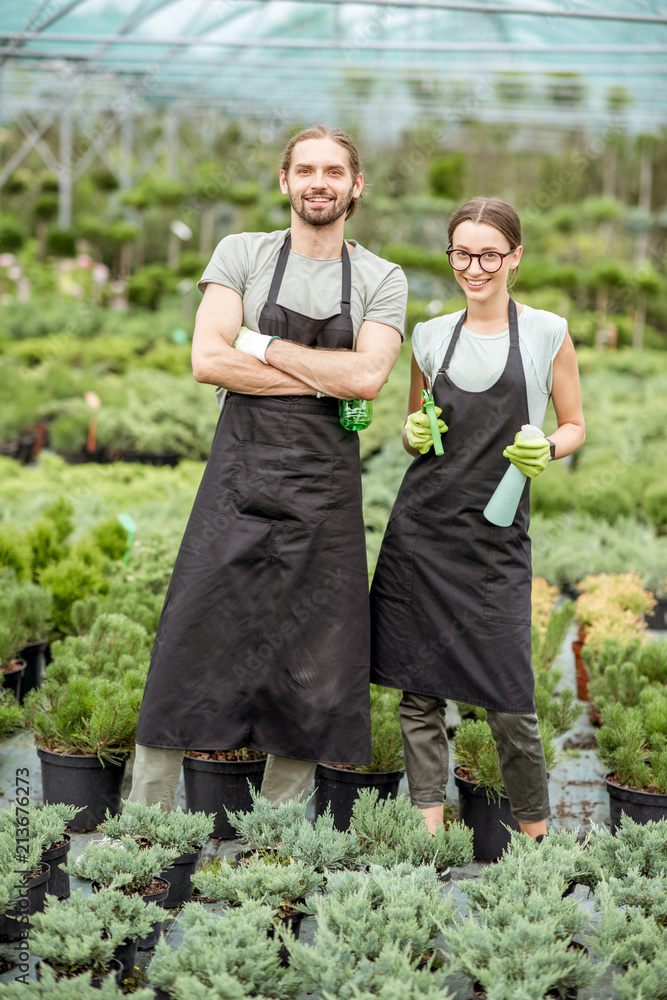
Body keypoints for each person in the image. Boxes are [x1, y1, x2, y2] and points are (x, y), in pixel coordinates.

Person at [129, 124, 408, 811]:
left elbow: (370, 378)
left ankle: (278, 832)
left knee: (315, 648)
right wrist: (325, 376)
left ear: (355, 186)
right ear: (284, 181)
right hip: (239, 478)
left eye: (333, 172)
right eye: (305, 170)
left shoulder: (381, 277)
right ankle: (147, 821)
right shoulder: (243, 254)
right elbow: (207, 360)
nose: (319, 182)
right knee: (192, 632)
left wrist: (262, 345)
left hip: (323, 494)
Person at [369, 197, 585, 838]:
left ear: (515, 256)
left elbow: (573, 425)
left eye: (489, 253)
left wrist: (548, 446)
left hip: (495, 540)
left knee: (509, 699)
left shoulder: (548, 332)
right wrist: (412, 430)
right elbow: (415, 436)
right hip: (422, 532)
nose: (475, 266)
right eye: (462, 252)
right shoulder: (431, 335)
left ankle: (537, 844)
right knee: (419, 691)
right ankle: (427, 836)